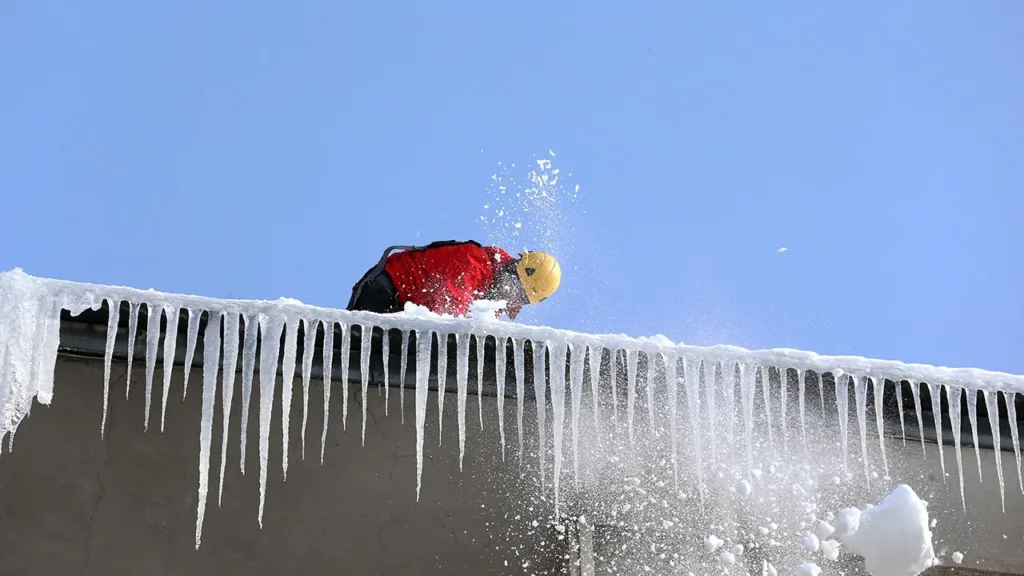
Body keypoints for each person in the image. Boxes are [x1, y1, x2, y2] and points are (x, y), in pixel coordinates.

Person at [346, 240, 560, 320]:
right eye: (514, 285)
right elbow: (447, 313)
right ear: (511, 268)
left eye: (519, 296)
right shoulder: (474, 261)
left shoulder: (490, 304)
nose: (510, 293)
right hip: (383, 293)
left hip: (402, 306)